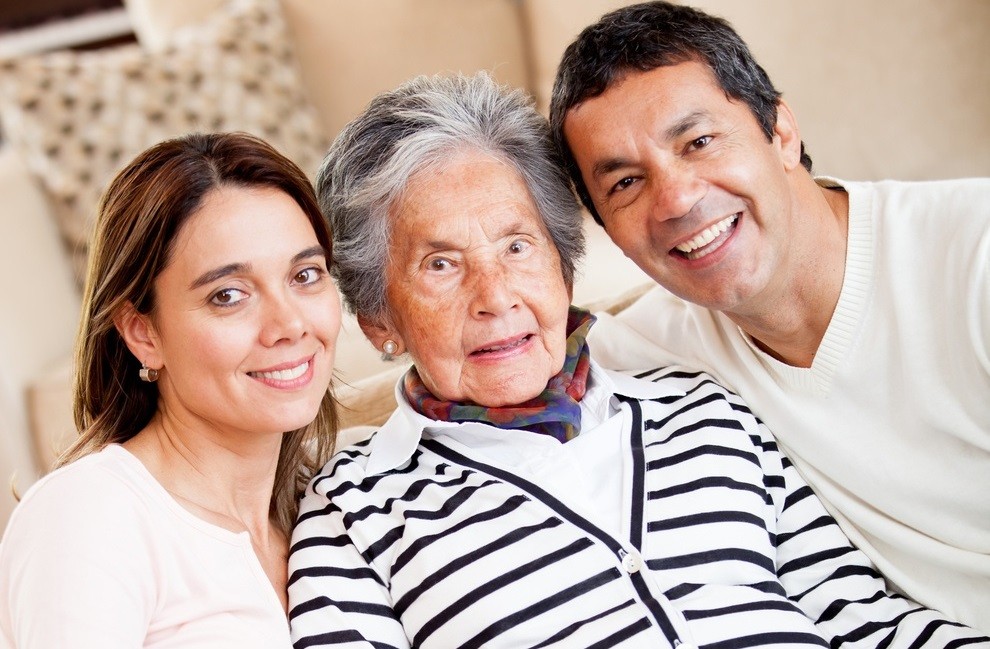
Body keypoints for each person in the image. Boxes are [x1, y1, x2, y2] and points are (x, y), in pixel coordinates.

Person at [286, 72, 988, 649]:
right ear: (379, 319)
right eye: (440, 264)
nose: (495, 296)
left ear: (564, 269)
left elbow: (863, 617)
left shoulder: (705, 408)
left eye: (517, 246)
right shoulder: (356, 510)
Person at [548, 1, 990, 632]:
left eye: (698, 142)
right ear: (608, 233)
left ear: (781, 133)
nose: (675, 199)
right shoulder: (650, 348)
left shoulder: (974, 256)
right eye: (625, 184)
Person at [0, 132, 341, 648]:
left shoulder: (331, 501)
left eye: (306, 274)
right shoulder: (90, 517)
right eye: (228, 295)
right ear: (144, 334)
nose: (290, 324)